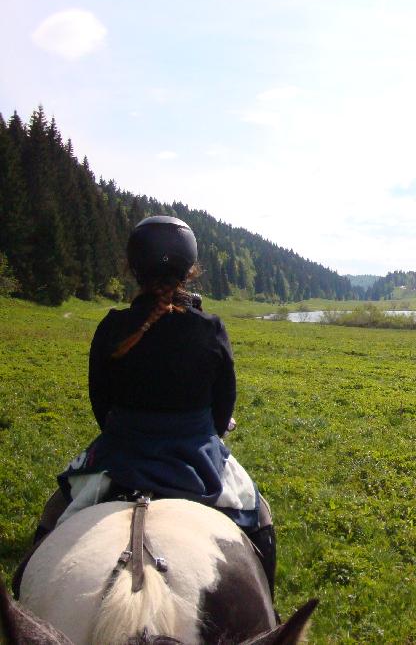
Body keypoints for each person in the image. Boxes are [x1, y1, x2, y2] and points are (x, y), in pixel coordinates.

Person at [14, 216, 276, 598]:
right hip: (198, 456)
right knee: (261, 516)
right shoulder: (210, 329)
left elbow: (100, 405)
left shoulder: (111, 326)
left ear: (133, 269)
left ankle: (22, 596)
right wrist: (207, 431)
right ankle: (272, 613)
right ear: (191, 270)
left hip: (120, 452)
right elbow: (224, 407)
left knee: (53, 514)